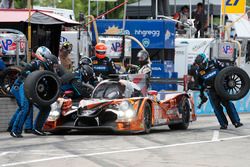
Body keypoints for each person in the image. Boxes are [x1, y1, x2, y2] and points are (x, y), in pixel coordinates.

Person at [8, 46, 59, 137]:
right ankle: (15, 130)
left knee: (46, 108)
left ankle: (37, 129)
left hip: (35, 91)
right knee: (25, 108)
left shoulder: (49, 70)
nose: (54, 67)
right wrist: (34, 76)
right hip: (24, 86)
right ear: (49, 62)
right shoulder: (36, 63)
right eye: (54, 64)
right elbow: (24, 73)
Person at [193, 53, 243, 129]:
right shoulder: (198, 72)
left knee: (228, 104)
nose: (200, 66)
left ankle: (236, 122)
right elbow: (200, 84)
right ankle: (223, 124)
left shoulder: (214, 62)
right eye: (198, 64)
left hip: (222, 87)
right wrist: (201, 94)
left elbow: (226, 70)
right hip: (211, 90)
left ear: (205, 61)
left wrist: (229, 81)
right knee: (217, 108)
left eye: (201, 64)